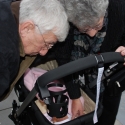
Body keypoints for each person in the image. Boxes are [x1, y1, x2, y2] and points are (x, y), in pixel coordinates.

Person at [54, 0, 125, 124]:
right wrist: (75, 95)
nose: (92, 34)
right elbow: (63, 57)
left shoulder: (119, 6)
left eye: (97, 25)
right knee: (90, 100)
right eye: (84, 30)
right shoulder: (63, 14)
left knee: (109, 108)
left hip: (112, 71)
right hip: (86, 68)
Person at [0, 0, 69, 100]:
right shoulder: (4, 56)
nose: (43, 52)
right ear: (27, 28)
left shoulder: (8, 7)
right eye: (46, 44)